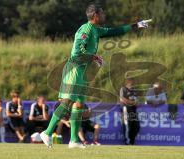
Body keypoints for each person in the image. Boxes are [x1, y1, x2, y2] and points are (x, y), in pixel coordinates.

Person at [40, 4, 149, 149]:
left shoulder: (96, 30)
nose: (105, 15)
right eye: (102, 13)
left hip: (83, 71)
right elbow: (79, 47)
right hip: (74, 68)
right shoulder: (86, 29)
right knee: (67, 101)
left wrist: (136, 25)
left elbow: (115, 31)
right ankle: (47, 133)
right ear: (95, 15)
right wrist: (93, 56)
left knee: (78, 104)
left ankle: (73, 140)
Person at [120, 78, 140, 145]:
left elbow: (137, 102)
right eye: (132, 81)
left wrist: (135, 103)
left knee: (136, 126)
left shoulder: (135, 91)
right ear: (128, 82)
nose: (133, 83)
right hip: (126, 109)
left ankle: (132, 141)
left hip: (134, 110)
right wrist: (132, 102)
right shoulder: (123, 89)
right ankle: (127, 142)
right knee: (127, 126)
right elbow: (122, 99)